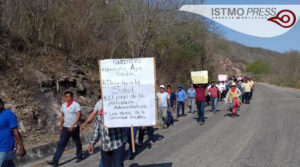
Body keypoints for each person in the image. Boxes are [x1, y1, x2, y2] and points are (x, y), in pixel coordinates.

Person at [48, 91, 82, 167]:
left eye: (68, 97)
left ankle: (79, 156)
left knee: (77, 141)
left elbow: (78, 116)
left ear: (72, 97)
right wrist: (61, 126)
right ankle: (55, 161)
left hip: (74, 127)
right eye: (66, 97)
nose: (67, 98)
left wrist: (73, 125)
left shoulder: (76, 105)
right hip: (65, 127)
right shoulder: (63, 105)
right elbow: (62, 116)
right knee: (61, 144)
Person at [0, 98, 26, 167]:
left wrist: (21, 147)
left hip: (5, 149)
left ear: (1, 105)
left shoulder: (9, 115)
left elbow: (16, 132)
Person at [82, 95, 104, 167]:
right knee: (104, 161)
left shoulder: (116, 103)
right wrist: (92, 143)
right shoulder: (99, 104)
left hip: (118, 144)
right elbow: (93, 114)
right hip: (105, 144)